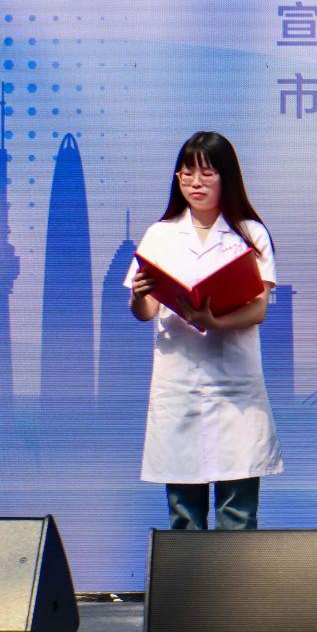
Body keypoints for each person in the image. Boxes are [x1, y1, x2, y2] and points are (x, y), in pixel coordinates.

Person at [125, 131, 283, 530]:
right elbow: (146, 311)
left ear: (227, 178)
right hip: (178, 382)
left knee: (238, 514)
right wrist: (138, 296)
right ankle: (187, 574)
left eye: (207, 173)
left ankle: (236, 575)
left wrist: (215, 323)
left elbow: (259, 307)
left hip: (234, 384)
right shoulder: (160, 233)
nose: (196, 183)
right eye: (187, 173)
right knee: (184, 515)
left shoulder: (250, 233)